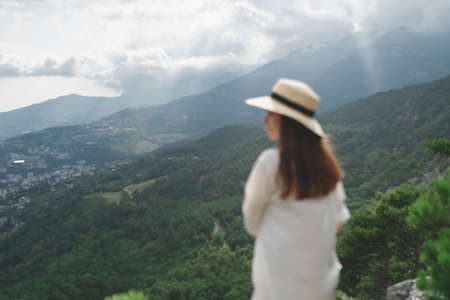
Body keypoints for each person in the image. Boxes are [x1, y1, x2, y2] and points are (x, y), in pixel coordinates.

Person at [243, 78, 351, 300]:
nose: (265, 121)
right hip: (322, 288)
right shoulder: (330, 171)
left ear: (288, 122)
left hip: (276, 290)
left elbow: (252, 223)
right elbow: (338, 223)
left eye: (272, 114)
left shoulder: (270, 163)